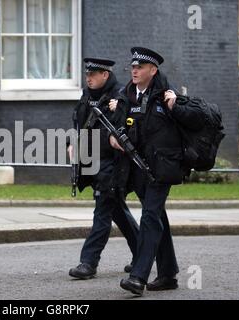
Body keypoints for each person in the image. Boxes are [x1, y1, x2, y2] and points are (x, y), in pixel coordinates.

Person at [110, 47, 183, 295]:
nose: (134, 70)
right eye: (132, 66)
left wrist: (178, 106)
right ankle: (168, 274)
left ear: (153, 70)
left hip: (161, 168)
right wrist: (113, 137)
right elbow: (116, 126)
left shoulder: (167, 96)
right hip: (137, 168)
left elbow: (186, 127)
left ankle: (138, 276)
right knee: (157, 216)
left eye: (139, 67)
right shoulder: (126, 95)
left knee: (150, 217)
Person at [67, 57, 139, 280]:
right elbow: (79, 122)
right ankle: (144, 251)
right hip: (92, 162)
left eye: (93, 74)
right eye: (87, 74)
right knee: (116, 210)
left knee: (102, 213)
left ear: (105, 75)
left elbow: (123, 127)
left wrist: (110, 137)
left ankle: (88, 262)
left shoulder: (119, 96)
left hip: (112, 165)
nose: (88, 78)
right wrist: (72, 144)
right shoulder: (88, 96)